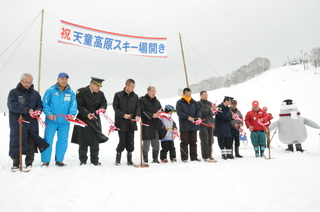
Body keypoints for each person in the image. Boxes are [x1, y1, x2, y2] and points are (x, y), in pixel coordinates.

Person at [7, 73, 49, 170]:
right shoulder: (13, 93)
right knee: (17, 141)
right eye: (26, 82)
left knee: (31, 142)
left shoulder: (35, 94)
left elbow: (39, 105)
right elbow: (12, 105)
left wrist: (37, 111)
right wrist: (26, 110)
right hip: (18, 122)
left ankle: (29, 162)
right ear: (21, 81)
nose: (28, 84)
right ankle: (16, 163)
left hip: (32, 122)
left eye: (30, 82)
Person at [41, 72, 77, 167]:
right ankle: (45, 161)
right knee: (48, 140)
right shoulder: (50, 90)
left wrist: (71, 114)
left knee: (62, 140)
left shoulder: (71, 93)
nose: (64, 81)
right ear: (57, 79)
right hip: (51, 121)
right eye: (62, 79)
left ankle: (59, 160)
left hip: (64, 122)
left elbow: (73, 106)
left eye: (66, 79)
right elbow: (45, 104)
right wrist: (49, 114)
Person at [71, 77, 108, 166]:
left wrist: (102, 109)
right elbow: (79, 105)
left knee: (95, 141)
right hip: (83, 119)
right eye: (97, 86)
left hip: (95, 120)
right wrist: (87, 114)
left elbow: (104, 103)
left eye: (100, 87)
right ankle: (83, 160)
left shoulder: (100, 94)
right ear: (92, 84)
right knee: (83, 141)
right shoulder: (81, 92)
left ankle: (95, 160)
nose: (99, 88)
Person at [113, 79, 141, 166]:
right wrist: (123, 115)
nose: (133, 88)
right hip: (121, 122)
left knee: (131, 142)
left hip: (131, 123)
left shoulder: (135, 96)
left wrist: (137, 115)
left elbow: (138, 108)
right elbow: (115, 107)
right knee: (122, 141)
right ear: (127, 86)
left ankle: (129, 160)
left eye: (134, 87)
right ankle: (118, 159)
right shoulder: (118, 95)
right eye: (132, 87)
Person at [139, 86, 166, 164]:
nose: (154, 93)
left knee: (156, 141)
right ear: (148, 91)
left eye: (155, 92)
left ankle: (155, 158)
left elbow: (161, 110)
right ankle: (145, 158)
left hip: (156, 124)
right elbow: (141, 111)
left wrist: (160, 114)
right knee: (146, 141)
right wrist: (151, 115)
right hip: (147, 123)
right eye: (152, 91)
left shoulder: (157, 101)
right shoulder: (142, 100)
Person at [176, 87, 202, 163]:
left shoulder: (194, 102)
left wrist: (199, 117)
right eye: (187, 94)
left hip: (194, 125)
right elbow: (179, 112)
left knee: (194, 142)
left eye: (189, 94)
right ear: (184, 94)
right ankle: (184, 158)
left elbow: (198, 110)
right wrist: (187, 117)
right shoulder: (179, 102)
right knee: (184, 142)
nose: (188, 95)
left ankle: (194, 157)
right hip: (184, 126)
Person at [198, 91, 216, 162]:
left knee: (211, 140)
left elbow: (212, 113)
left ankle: (210, 155)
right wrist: (209, 109)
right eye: (204, 95)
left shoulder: (209, 103)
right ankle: (205, 156)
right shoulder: (199, 104)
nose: (206, 96)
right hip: (203, 124)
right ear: (201, 95)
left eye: (206, 95)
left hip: (210, 123)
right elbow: (201, 112)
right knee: (204, 140)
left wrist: (214, 110)